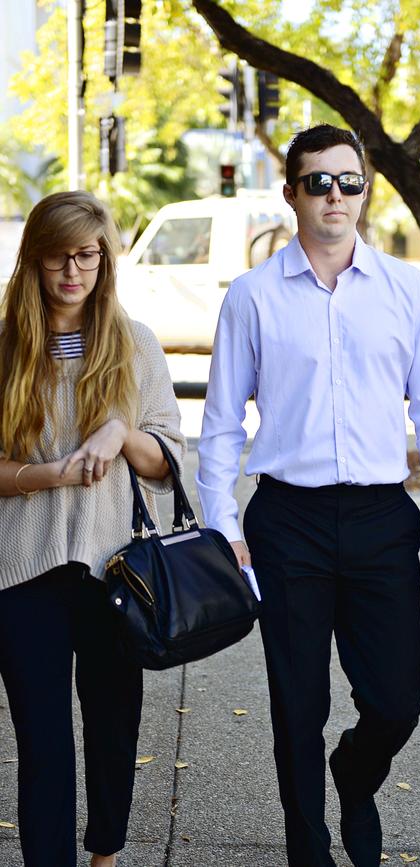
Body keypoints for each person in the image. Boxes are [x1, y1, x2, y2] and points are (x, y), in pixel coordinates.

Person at [197, 124, 420, 867]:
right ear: (291, 193)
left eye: (349, 180)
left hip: (384, 516)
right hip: (288, 520)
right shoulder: (253, 297)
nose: (335, 195)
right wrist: (223, 527)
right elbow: (221, 426)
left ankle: (355, 773)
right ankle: (308, 850)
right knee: (296, 705)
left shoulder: (406, 291)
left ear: (365, 189)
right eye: (318, 181)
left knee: (396, 700)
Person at [0, 190, 185, 867]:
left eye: (86, 255)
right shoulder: (7, 346)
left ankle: (104, 850)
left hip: (116, 572)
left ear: (105, 260)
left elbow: (169, 461)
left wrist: (119, 430)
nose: (73, 271)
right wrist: (46, 475)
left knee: (112, 731)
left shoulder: (134, 344)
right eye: (58, 257)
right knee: (43, 743)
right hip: (22, 574)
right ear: (35, 261)